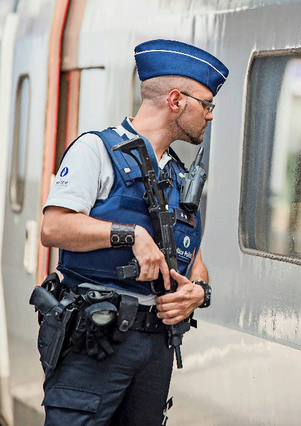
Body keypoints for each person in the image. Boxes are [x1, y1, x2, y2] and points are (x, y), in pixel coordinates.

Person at [39, 39, 228, 425]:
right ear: (176, 100)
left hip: (155, 351)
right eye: (206, 105)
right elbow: (53, 225)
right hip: (95, 343)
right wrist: (130, 235)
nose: (210, 115)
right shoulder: (96, 150)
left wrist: (198, 293)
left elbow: (196, 263)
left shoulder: (178, 178)